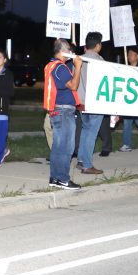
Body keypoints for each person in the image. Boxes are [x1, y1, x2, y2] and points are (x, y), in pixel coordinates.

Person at [43, 38, 83, 189]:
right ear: (64, 50)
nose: (72, 53)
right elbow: (73, 85)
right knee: (66, 146)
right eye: (70, 50)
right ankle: (63, 179)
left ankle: (55, 178)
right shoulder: (59, 67)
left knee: (59, 146)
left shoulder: (54, 66)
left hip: (58, 110)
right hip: (63, 111)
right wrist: (78, 67)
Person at [76, 31, 107, 175]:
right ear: (98, 46)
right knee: (91, 134)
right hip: (95, 103)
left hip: (81, 102)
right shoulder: (100, 61)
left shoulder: (77, 59)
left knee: (85, 131)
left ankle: (81, 160)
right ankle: (87, 165)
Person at [119, 48, 138, 151]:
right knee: (127, 122)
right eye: (128, 54)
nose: (129, 56)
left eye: (131, 54)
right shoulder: (125, 69)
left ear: (137, 56)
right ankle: (127, 144)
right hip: (128, 101)